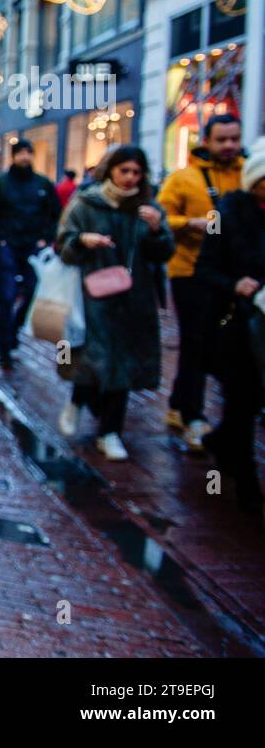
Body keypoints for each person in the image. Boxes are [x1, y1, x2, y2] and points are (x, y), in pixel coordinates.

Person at [55, 146, 175, 461]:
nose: (130, 178)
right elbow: (63, 245)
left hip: (134, 298)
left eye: (136, 172)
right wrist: (82, 241)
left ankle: (110, 432)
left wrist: (156, 230)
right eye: (124, 171)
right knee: (95, 358)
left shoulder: (147, 207)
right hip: (92, 294)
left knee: (121, 363)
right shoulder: (86, 203)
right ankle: (78, 400)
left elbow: (164, 253)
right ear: (111, 170)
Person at [155, 113, 243, 448]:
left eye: (234, 138)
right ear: (206, 140)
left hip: (231, 276)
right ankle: (193, 415)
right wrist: (190, 223)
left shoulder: (246, 174)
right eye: (222, 139)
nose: (229, 145)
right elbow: (161, 217)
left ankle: (180, 406)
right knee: (196, 341)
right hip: (189, 271)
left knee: (220, 343)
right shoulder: (183, 178)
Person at [193, 135, 265, 516]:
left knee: (251, 404)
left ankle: (223, 445)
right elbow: (205, 268)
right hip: (234, 324)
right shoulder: (225, 213)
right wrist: (235, 284)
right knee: (242, 401)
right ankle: (245, 483)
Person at [0, 138, 61, 369]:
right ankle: (4, 345)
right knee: (6, 295)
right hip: (8, 245)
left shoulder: (42, 184)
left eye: (28, 152)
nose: (25, 157)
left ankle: (13, 330)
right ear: (14, 155)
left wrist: (47, 237)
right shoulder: (1, 184)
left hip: (33, 247)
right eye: (21, 153)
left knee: (33, 292)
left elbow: (56, 214)